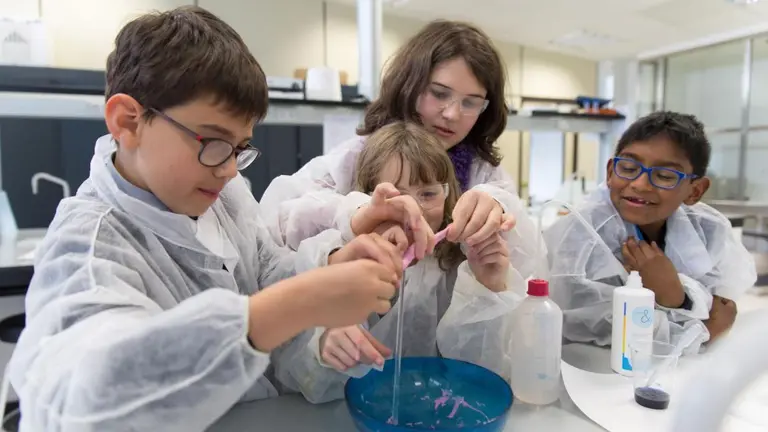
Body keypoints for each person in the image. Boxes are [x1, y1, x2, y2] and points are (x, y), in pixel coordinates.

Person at [7, 7, 404, 431]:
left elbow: (265, 270)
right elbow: (86, 402)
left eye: (240, 147)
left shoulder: (220, 194)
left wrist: (332, 264)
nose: (230, 168)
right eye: (213, 141)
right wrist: (298, 302)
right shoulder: (88, 246)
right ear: (128, 121)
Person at [259, 19, 541, 277]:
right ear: (409, 84)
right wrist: (357, 214)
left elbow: (526, 264)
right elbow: (277, 222)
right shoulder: (356, 157)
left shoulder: (485, 176)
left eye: (470, 102)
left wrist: (497, 210)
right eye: (439, 93)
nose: (452, 114)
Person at [287, 122, 525, 404]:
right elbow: (304, 376)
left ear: (448, 195)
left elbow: (482, 376)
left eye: (428, 194)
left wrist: (488, 286)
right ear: (367, 198)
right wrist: (325, 344)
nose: (415, 211)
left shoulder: (458, 264)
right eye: (395, 195)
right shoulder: (334, 253)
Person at [544, 111, 756, 348]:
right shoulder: (581, 234)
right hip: (593, 372)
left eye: (665, 176)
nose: (639, 184)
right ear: (611, 172)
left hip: (678, 374)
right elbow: (589, 326)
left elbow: (723, 306)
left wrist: (678, 299)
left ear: (695, 190)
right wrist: (681, 303)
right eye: (628, 167)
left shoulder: (708, 228)